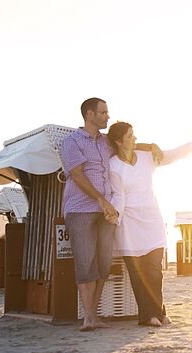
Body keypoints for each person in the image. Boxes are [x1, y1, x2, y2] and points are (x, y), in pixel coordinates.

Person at [60, 98, 162, 332]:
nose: (108, 116)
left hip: (106, 212)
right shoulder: (72, 142)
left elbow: (127, 145)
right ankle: (88, 317)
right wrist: (101, 199)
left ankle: (94, 315)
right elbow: (76, 174)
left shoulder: (106, 142)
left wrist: (151, 146)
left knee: (104, 263)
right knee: (86, 262)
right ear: (89, 114)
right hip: (81, 209)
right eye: (103, 112)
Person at [106, 121, 192, 327]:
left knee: (154, 270)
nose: (135, 138)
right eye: (130, 136)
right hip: (129, 225)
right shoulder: (113, 164)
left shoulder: (147, 157)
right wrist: (115, 215)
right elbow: (118, 196)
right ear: (119, 141)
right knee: (137, 274)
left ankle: (156, 312)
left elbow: (172, 154)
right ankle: (150, 315)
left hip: (152, 221)